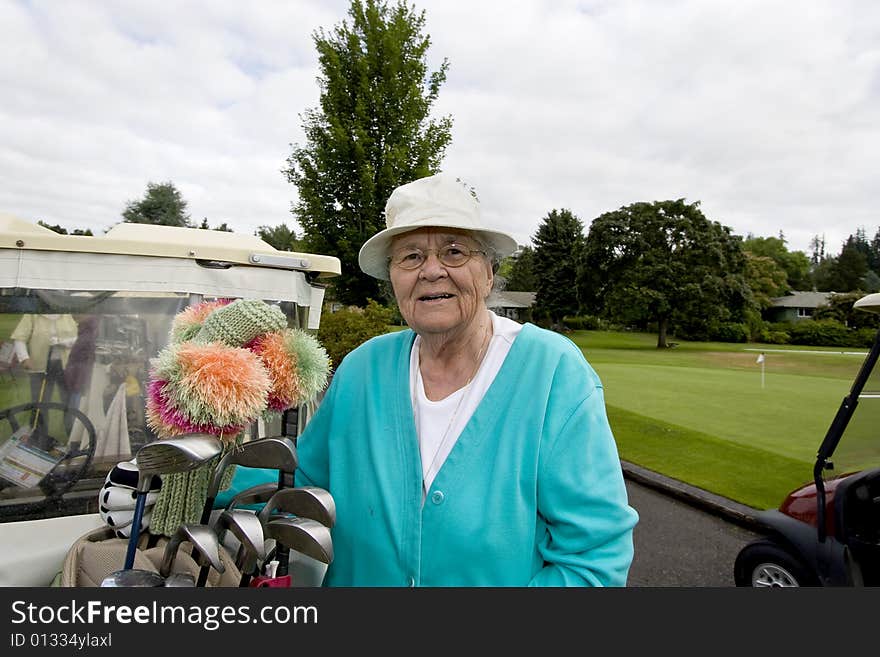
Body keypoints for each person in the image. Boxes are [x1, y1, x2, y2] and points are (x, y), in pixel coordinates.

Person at [230, 173, 639, 586]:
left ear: (489, 273)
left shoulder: (552, 374)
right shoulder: (361, 370)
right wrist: (211, 465)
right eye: (410, 256)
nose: (431, 271)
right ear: (393, 278)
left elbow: (594, 560)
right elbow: (301, 489)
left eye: (455, 252)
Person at [10, 312, 78, 409]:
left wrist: (63, 342)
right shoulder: (31, 314)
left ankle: (71, 424)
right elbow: (19, 338)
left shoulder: (67, 313)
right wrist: (24, 358)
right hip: (39, 367)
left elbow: (80, 337)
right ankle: (38, 424)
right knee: (39, 403)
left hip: (67, 366)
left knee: (70, 403)